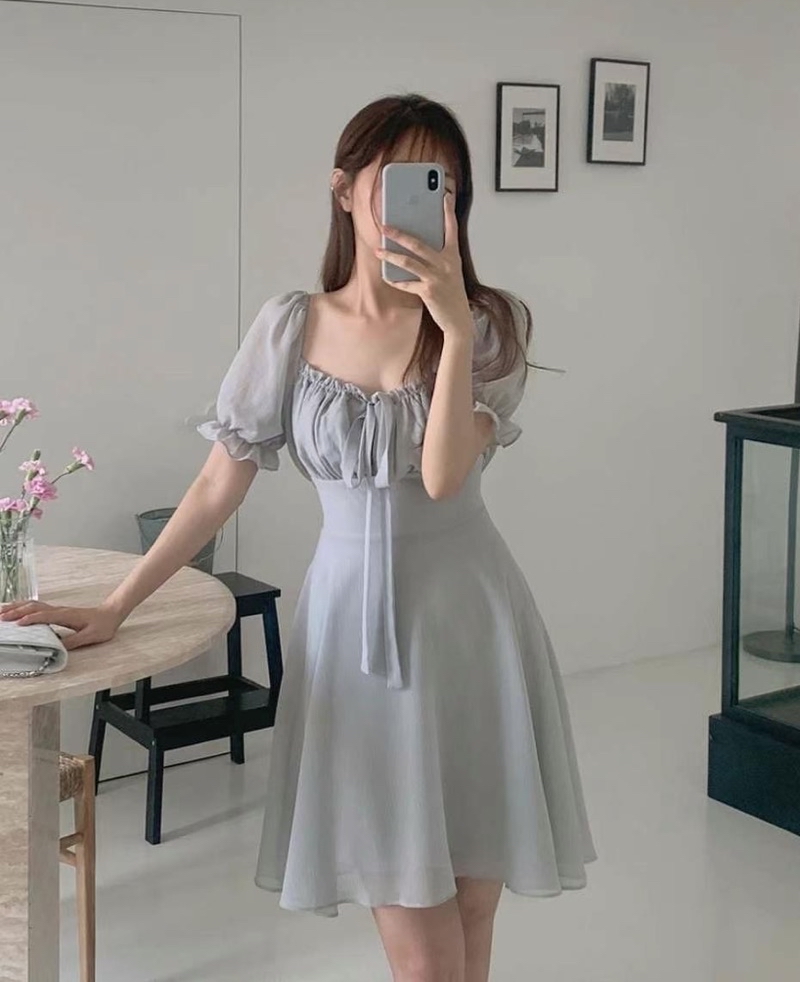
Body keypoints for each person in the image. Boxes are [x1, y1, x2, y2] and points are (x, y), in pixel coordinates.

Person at [0, 94, 596, 982]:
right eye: (399, 178)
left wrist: (452, 325)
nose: (423, 201)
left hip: (472, 623)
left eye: (442, 184)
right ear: (345, 188)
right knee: (422, 945)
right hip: (355, 639)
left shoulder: (489, 327)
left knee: (473, 910)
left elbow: (443, 476)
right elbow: (217, 483)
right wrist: (118, 606)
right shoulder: (290, 326)